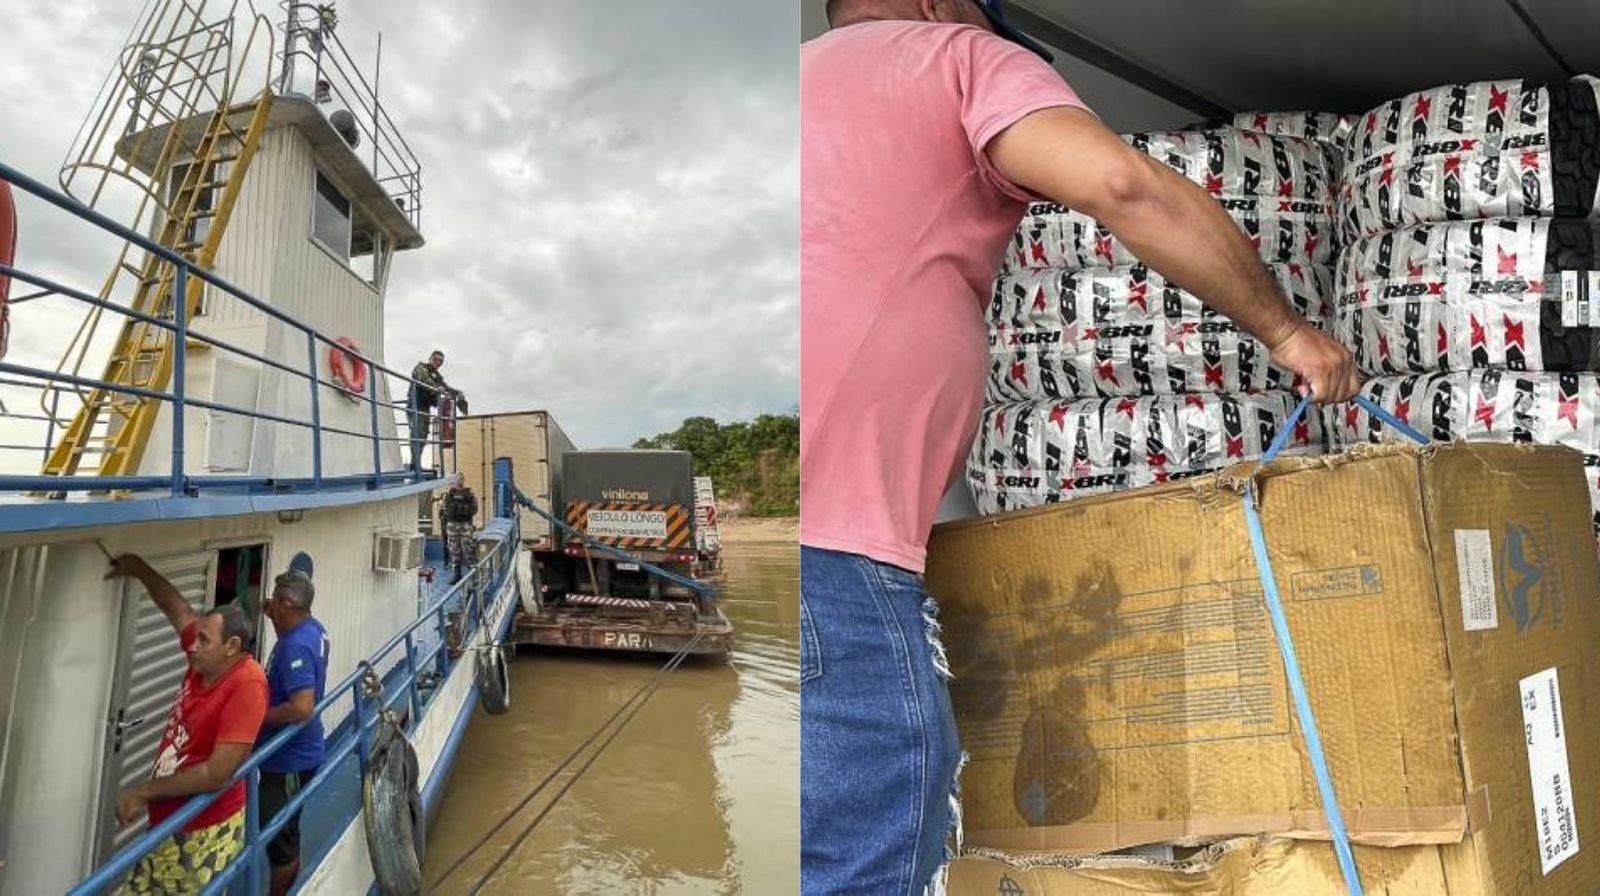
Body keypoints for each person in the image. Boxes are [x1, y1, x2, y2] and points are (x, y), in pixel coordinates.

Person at [800, 2, 1360, 893]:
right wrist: (1291, 334)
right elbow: (1123, 186)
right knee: (876, 852)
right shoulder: (953, 56)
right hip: (837, 549)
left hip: (816, 544)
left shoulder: (797, 92)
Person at [104, 554, 268, 895]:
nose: (191, 645)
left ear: (232, 647)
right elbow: (177, 609)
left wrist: (142, 792)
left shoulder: (247, 685)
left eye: (204, 640)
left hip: (201, 829)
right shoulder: (206, 657)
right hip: (169, 820)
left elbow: (217, 774)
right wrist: (138, 567)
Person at [256, 556, 329, 896]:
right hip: (301, 753)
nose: (271, 610)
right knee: (279, 826)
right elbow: (282, 612)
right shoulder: (312, 627)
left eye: (275, 603)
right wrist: (269, 608)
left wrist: (256, 716)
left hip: (288, 761)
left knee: (279, 838)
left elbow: (302, 708)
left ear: (288, 604)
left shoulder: (295, 645)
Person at [408, 350, 459, 472]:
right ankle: (415, 465)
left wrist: (457, 393)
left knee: (423, 434)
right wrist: (437, 388)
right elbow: (423, 381)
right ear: (430, 358)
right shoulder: (420, 368)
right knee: (417, 434)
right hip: (415, 406)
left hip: (424, 407)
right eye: (436, 359)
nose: (438, 363)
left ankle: (416, 464)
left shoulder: (436, 376)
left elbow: (446, 387)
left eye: (440, 361)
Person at [440, 473, 480, 581]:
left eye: (452, 481)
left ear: (459, 481)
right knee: (454, 550)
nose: (450, 483)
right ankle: (457, 574)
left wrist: (461, 509)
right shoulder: (448, 495)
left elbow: (474, 510)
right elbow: (445, 509)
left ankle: (475, 575)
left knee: (469, 550)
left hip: (465, 525)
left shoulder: (469, 494)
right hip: (452, 526)